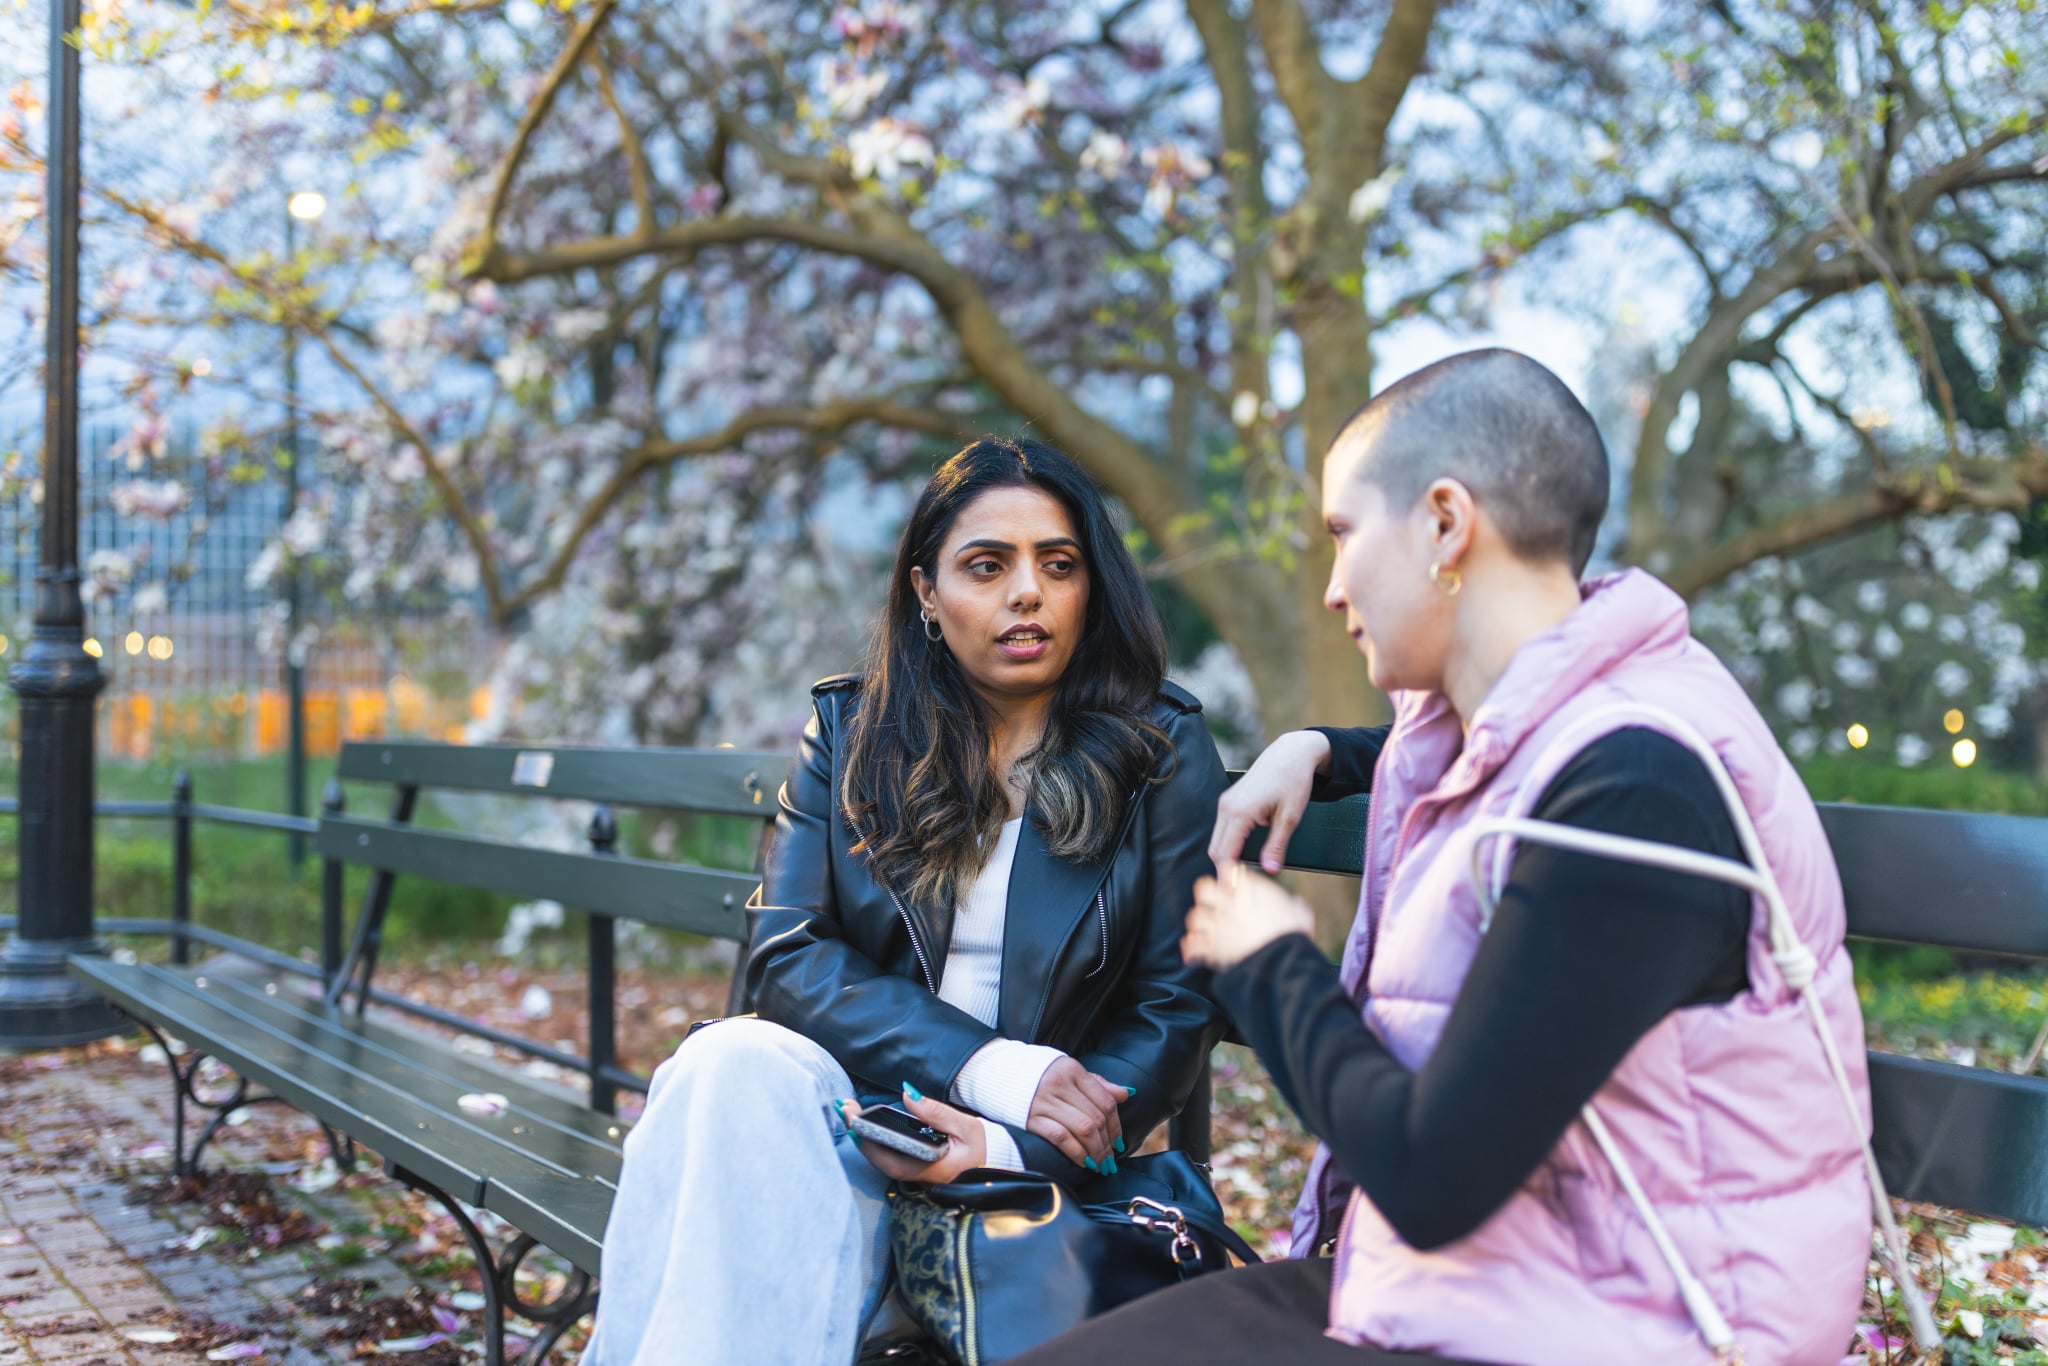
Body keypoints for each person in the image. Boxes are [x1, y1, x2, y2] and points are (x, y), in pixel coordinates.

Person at [1008, 349, 1879, 1366]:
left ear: (1443, 524)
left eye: (1342, 533)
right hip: (1509, 1287)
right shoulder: (1579, 728)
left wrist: (1267, 957)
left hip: (1643, 1324)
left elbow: (1431, 1177)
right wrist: (1326, 751)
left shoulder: (1633, 792)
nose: (1332, 588)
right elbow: (1509, 763)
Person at [581, 436, 1227, 1366]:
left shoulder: (1159, 749)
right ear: (926, 592)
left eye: (1058, 564)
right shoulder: (852, 732)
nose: (1027, 594)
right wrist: (994, 1067)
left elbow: (1176, 1007)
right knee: (728, 1061)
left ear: (1092, 585)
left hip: (1022, 1181)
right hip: (854, 1131)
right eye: (985, 565)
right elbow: (787, 955)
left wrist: (1009, 1141)